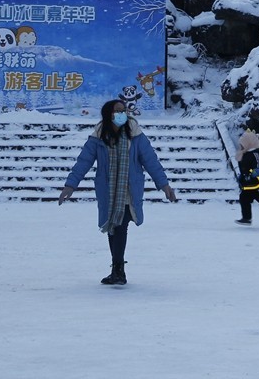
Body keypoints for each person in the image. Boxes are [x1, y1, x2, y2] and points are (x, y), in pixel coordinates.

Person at [58, 99, 178, 285]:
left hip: (129, 189)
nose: (122, 114)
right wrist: (70, 185)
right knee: (112, 227)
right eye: (117, 111)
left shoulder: (136, 134)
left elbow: (151, 161)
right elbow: (84, 161)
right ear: (108, 114)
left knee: (121, 225)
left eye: (124, 110)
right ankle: (117, 268)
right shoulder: (98, 136)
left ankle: (118, 269)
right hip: (108, 190)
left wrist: (164, 185)